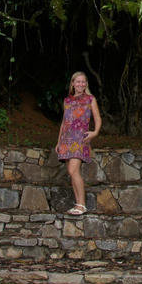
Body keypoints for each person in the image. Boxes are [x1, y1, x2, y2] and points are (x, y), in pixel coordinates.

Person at [55, 71, 102, 216]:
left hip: (80, 139)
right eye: (78, 81)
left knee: (73, 171)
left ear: (86, 84)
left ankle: (82, 205)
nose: (81, 84)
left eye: (83, 82)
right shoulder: (67, 101)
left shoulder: (90, 99)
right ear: (73, 83)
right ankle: (78, 204)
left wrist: (95, 132)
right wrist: (58, 142)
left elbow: (98, 118)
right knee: (71, 172)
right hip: (67, 139)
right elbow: (64, 122)